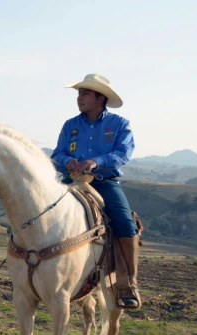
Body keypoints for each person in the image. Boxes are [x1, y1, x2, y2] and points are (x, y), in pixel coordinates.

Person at [51, 73, 141, 309]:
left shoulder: (120, 124)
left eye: (85, 93)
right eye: (79, 93)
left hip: (104, 182)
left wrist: (95, 161)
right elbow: (57, 154)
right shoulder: (70, 125)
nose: (79, 98)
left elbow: (124, 153)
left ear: (101, 98)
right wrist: (68, 162)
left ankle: (126, 284)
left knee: (124, 222)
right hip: (71, 181)